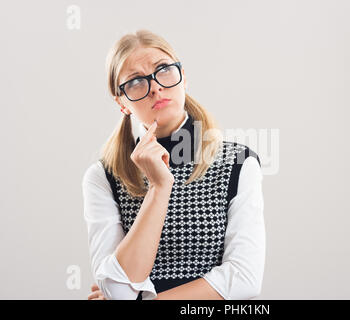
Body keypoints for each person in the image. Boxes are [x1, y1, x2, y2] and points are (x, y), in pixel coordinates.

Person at [82, 29, 265, 300]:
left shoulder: (238, 163)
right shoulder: (103, 177)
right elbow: (119, 291)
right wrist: (159, 186)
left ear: (184, 77)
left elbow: (245, 278)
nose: (155, 87)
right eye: (135, 82)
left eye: (164, 69)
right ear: (121, 102)